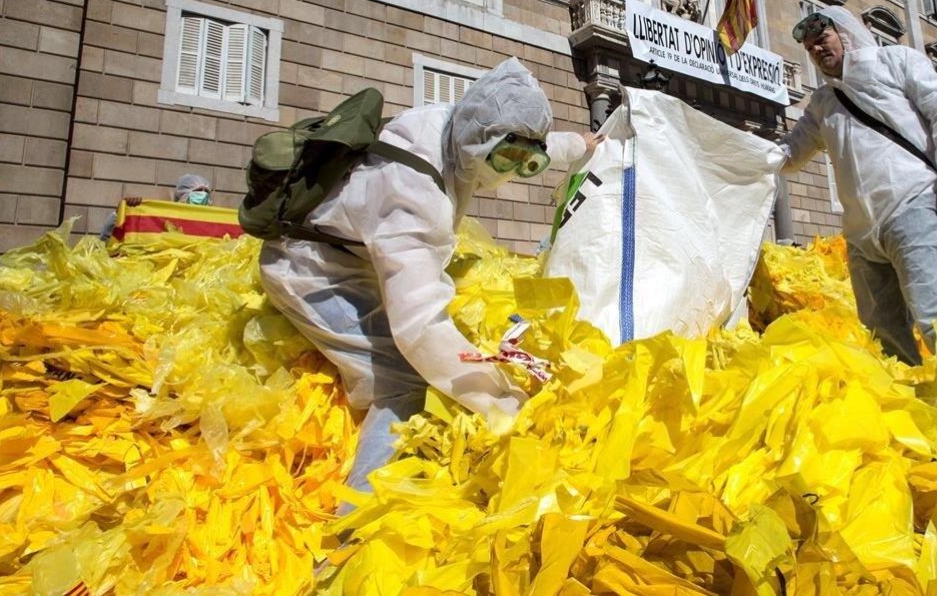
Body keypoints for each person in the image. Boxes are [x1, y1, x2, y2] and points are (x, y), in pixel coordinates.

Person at [258, 58, 599, 507]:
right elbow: (419, 330)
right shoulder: (415, 197)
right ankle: (353, 529)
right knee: (401, 379)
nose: (511, 172)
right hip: (308, 267)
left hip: (354, 251)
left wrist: (581, 143)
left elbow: (523, 141)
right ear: (479, 141)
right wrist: (503, 404)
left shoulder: (452, 126)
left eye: (526, 163)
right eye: (506, 159)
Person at [779, 6, 937, 367]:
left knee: (936, 315)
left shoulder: (894, 61)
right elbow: (790, 153)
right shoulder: (822, 102)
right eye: (810, 48)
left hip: (914, 206)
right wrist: (728, 149)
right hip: (860, 234)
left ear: (845, 34)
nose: (817, 50)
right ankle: (913, 409)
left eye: (822, 39)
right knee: (882, 330)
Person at [98, 173, 213, 241]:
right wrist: (121, 214)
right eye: (198, 190)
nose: (203, 195)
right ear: (183, 193)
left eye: (206, 191)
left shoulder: (211, 225)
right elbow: (106, 241)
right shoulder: (164, 221)